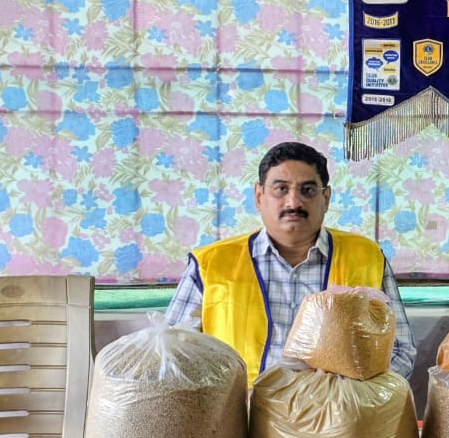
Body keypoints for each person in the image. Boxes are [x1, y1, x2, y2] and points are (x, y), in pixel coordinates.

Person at [165, 141, 417, 384]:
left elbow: (400, 350)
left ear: (326, 198)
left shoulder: (366, 257)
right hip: (240, 418)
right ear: (259, 195)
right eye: (281, 189)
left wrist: (348, 396)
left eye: (307, 190)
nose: (294, 202)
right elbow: (173, 355)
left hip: (338, 418)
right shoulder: (211, 264)